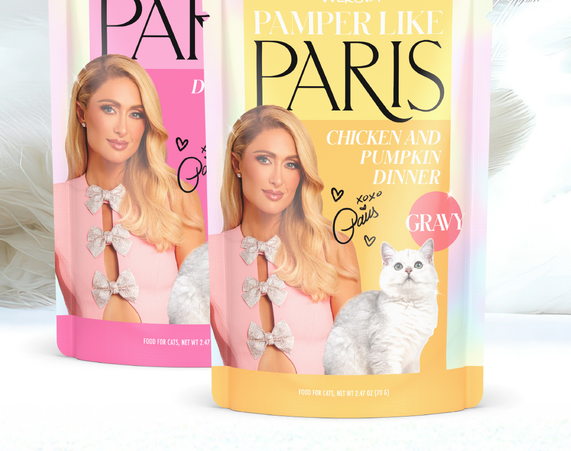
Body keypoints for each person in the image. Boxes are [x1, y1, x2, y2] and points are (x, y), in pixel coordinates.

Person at [54, 54, 205, 323]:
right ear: (81, 113)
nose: (123, 128)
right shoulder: (56, 202)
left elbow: (197, 307)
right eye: (109, 109)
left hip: (162, 360)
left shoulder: (175, 195)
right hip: (91, 361)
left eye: (135, 114)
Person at [209, 106, 360, 374]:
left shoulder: (330, 245)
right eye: (265, 159)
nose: (278, 179)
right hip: (248, 412)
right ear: (237, 163)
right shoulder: (210, 256)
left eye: (291, 164)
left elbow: (355, 359)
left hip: (319, 412)